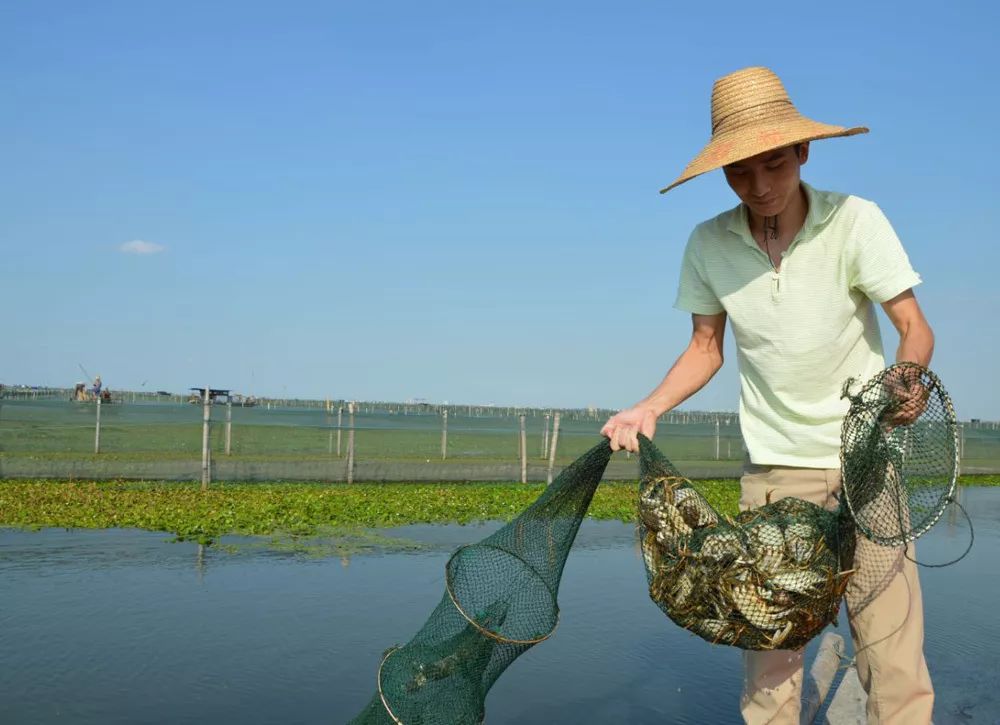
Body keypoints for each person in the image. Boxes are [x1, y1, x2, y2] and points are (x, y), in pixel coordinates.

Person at [601, 66, 934, 724]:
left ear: (803, 150)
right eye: (739, 172)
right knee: (770, 661)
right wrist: (648, 406)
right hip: (776, 478)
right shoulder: (708, 244)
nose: (759, 186)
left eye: (774, 164)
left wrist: (908, 376)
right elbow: (705, 347)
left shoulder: (855, 221)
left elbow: (914, 328)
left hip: (868, 464)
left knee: (890, 652)